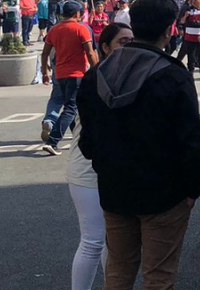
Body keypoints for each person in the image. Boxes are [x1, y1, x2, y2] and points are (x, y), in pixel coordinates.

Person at [76, 0, 200, 290]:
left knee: (118, 271)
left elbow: (87, 140)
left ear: (133, 25)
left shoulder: (98, 73)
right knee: (158, 276)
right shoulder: (173, 75)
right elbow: (191, 140)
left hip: (114, 187)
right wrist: (193, 187)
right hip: (165, 192)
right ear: (169, 29)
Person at [67, 22, 133, 290]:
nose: (128, 47)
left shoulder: (130, 75)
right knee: (93, 241)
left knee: (113, 242)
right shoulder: (96, 78)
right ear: (105, 47)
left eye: (132, 41)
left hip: (116, 169)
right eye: (122, 42)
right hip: (87, 170)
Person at [40, 0, 97, 155]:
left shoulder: (54, 29)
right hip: (76, 74)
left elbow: (44, 53)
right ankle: (53, 140)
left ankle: (78, 137)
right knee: (71, 108)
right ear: (77, 14)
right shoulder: (81, 29)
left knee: (70, 105)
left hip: (60, 73)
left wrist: (44, 71)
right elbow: (90, 52)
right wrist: (98, 70)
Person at [175, 0, 200, 80]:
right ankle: (190, 71)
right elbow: (181, 21)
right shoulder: (188, 9)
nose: (194, 2)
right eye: (193, 0)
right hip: (190, 37)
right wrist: (185, 16)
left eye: (196, 0)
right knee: (190, 55)